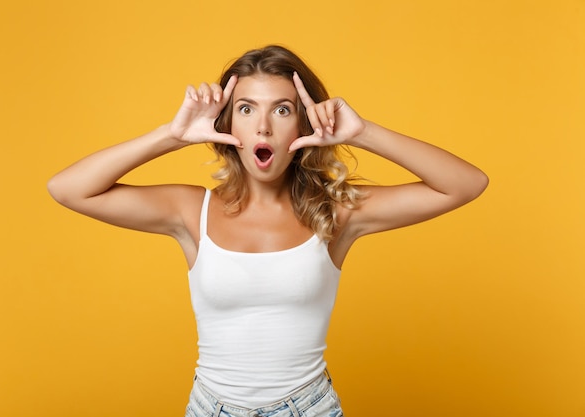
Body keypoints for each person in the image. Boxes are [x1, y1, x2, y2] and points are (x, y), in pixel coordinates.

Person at [48, 45, 488, 417]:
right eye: (245, 109)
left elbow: (466, 184)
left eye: (282, 110)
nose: (263, 126)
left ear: (304, 124)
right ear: (227, 125)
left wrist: (362, 132)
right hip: (210, 408)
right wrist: (171, 134)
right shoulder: (190, 211)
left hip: (309, 407)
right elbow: (68, 189)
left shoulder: (335, 213)